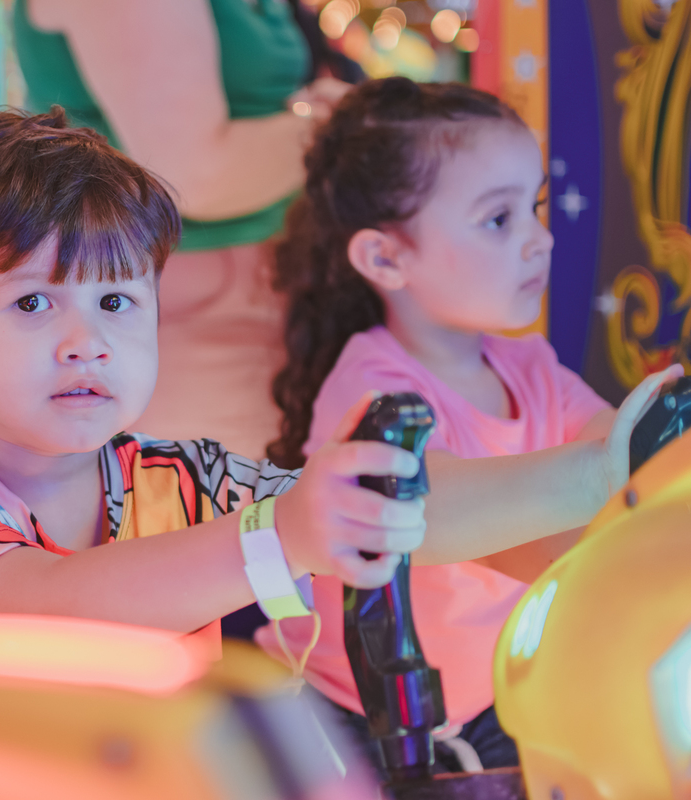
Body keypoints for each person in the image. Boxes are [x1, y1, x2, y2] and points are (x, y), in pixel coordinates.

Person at [0, 107, 675, 648]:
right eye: (33, 301)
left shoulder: (182, 476)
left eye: (115, 298)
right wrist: (286, 533)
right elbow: (60, 607)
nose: (87, 341)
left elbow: (393, 509)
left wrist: (610, 483)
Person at [263, 77, 683, 774]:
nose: (540, 239)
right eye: (499, 219)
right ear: (384, 258)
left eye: (536, 208)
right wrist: (608, 473)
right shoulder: (370, 386)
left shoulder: (528, 366)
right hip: (350, 721)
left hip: (488, 705)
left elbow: (617, 452)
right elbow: (417, 509)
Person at [12, 0, 352, 462]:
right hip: (186, 311)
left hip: (261, 297)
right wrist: (330, 127)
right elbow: (194, 175)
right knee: (219, 510)